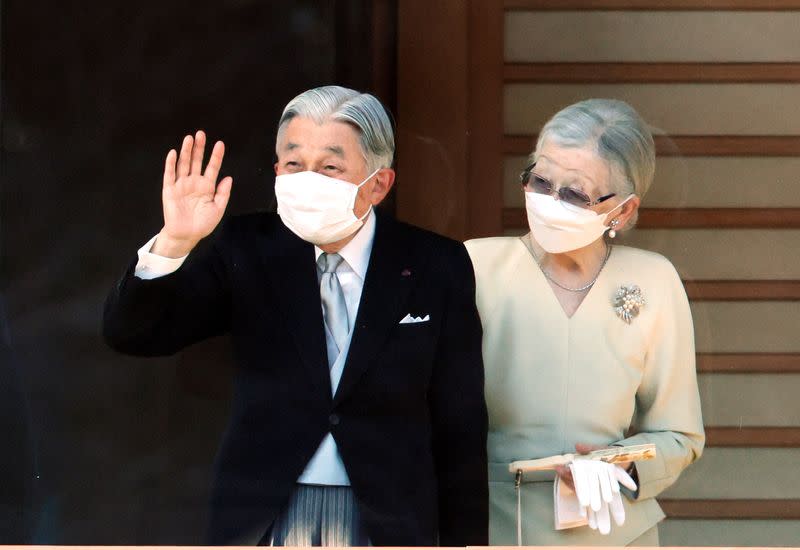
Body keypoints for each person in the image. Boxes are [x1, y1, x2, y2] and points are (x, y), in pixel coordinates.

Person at [103, 85, 488, 546]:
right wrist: (175, 241)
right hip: (266, 509)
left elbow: (459, 419)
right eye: (293, 164)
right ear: (276, 172)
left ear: (379, 184)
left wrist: (466, 541)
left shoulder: (433, 263)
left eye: (330, 167)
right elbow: (134, 334)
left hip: (388, 514)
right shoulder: (248, 248)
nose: (308, 179)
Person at [465, 99, 704, 546]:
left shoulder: (652, 279)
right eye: (540, 180)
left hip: (614, 528)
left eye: (574, 194)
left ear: (624, 211)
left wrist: (623, 464)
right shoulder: (472, 266)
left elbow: (680, 433)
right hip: (493, 524)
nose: (549, 201)